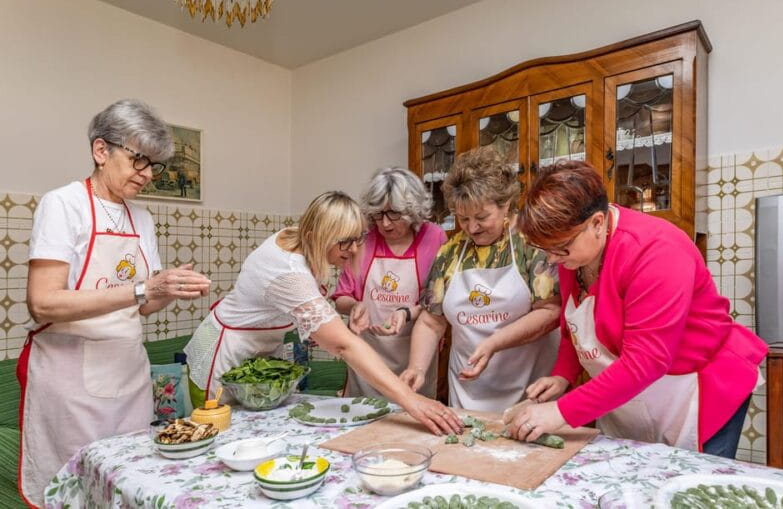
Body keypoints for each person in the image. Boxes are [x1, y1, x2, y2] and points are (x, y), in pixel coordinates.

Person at [18, 99, 211, 507]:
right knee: (77, 488)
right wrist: (143, 289)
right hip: (71, 381)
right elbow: (44, 303)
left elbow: (140, 307)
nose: (147, 175)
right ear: (101, 151)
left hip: (128, 373)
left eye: (153, 166)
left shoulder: (142, 219)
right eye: (139, 160)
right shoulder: (63, 204)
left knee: (130, 482)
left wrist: (167, 289)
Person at [508, 160, 767, 458]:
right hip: (634, 392)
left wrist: (561, 411)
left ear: (597, 223)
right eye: (546, 250)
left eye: (561, 248)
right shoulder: (574, 255)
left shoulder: (656, 251)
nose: (552, 260)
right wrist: (562, 375)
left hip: (695, 388)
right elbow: (576, 328)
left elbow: (647, 361)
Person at [183, 191, 462, 435]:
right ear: (318, 235)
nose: (354, 250)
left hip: (260, 357)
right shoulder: (288, 272)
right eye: (345, 242)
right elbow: (343, 344)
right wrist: (410, 400)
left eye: (357, 239)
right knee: (222, 437)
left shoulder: (297, 236)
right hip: (223, 356)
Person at [400, 147, 561, 412]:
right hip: (468, 389)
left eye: (482, 217)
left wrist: (493, 343)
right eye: (463, 218)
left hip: (529, 388)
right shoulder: (450, 253)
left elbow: (551, 311)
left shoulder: (533, 245)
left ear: (505, 204)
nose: (472, 228)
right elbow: (431, 321)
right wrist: (416, 367)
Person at [333, 168, 447, 398]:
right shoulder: (365, 238)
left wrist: (406, 313)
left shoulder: (434, 237)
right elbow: (341, 297)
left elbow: (437, 301)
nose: (384, 224)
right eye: (378, 214)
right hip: (367, 354)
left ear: (412, 211)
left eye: (394, 214)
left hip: (415, 355)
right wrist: (355, 306)